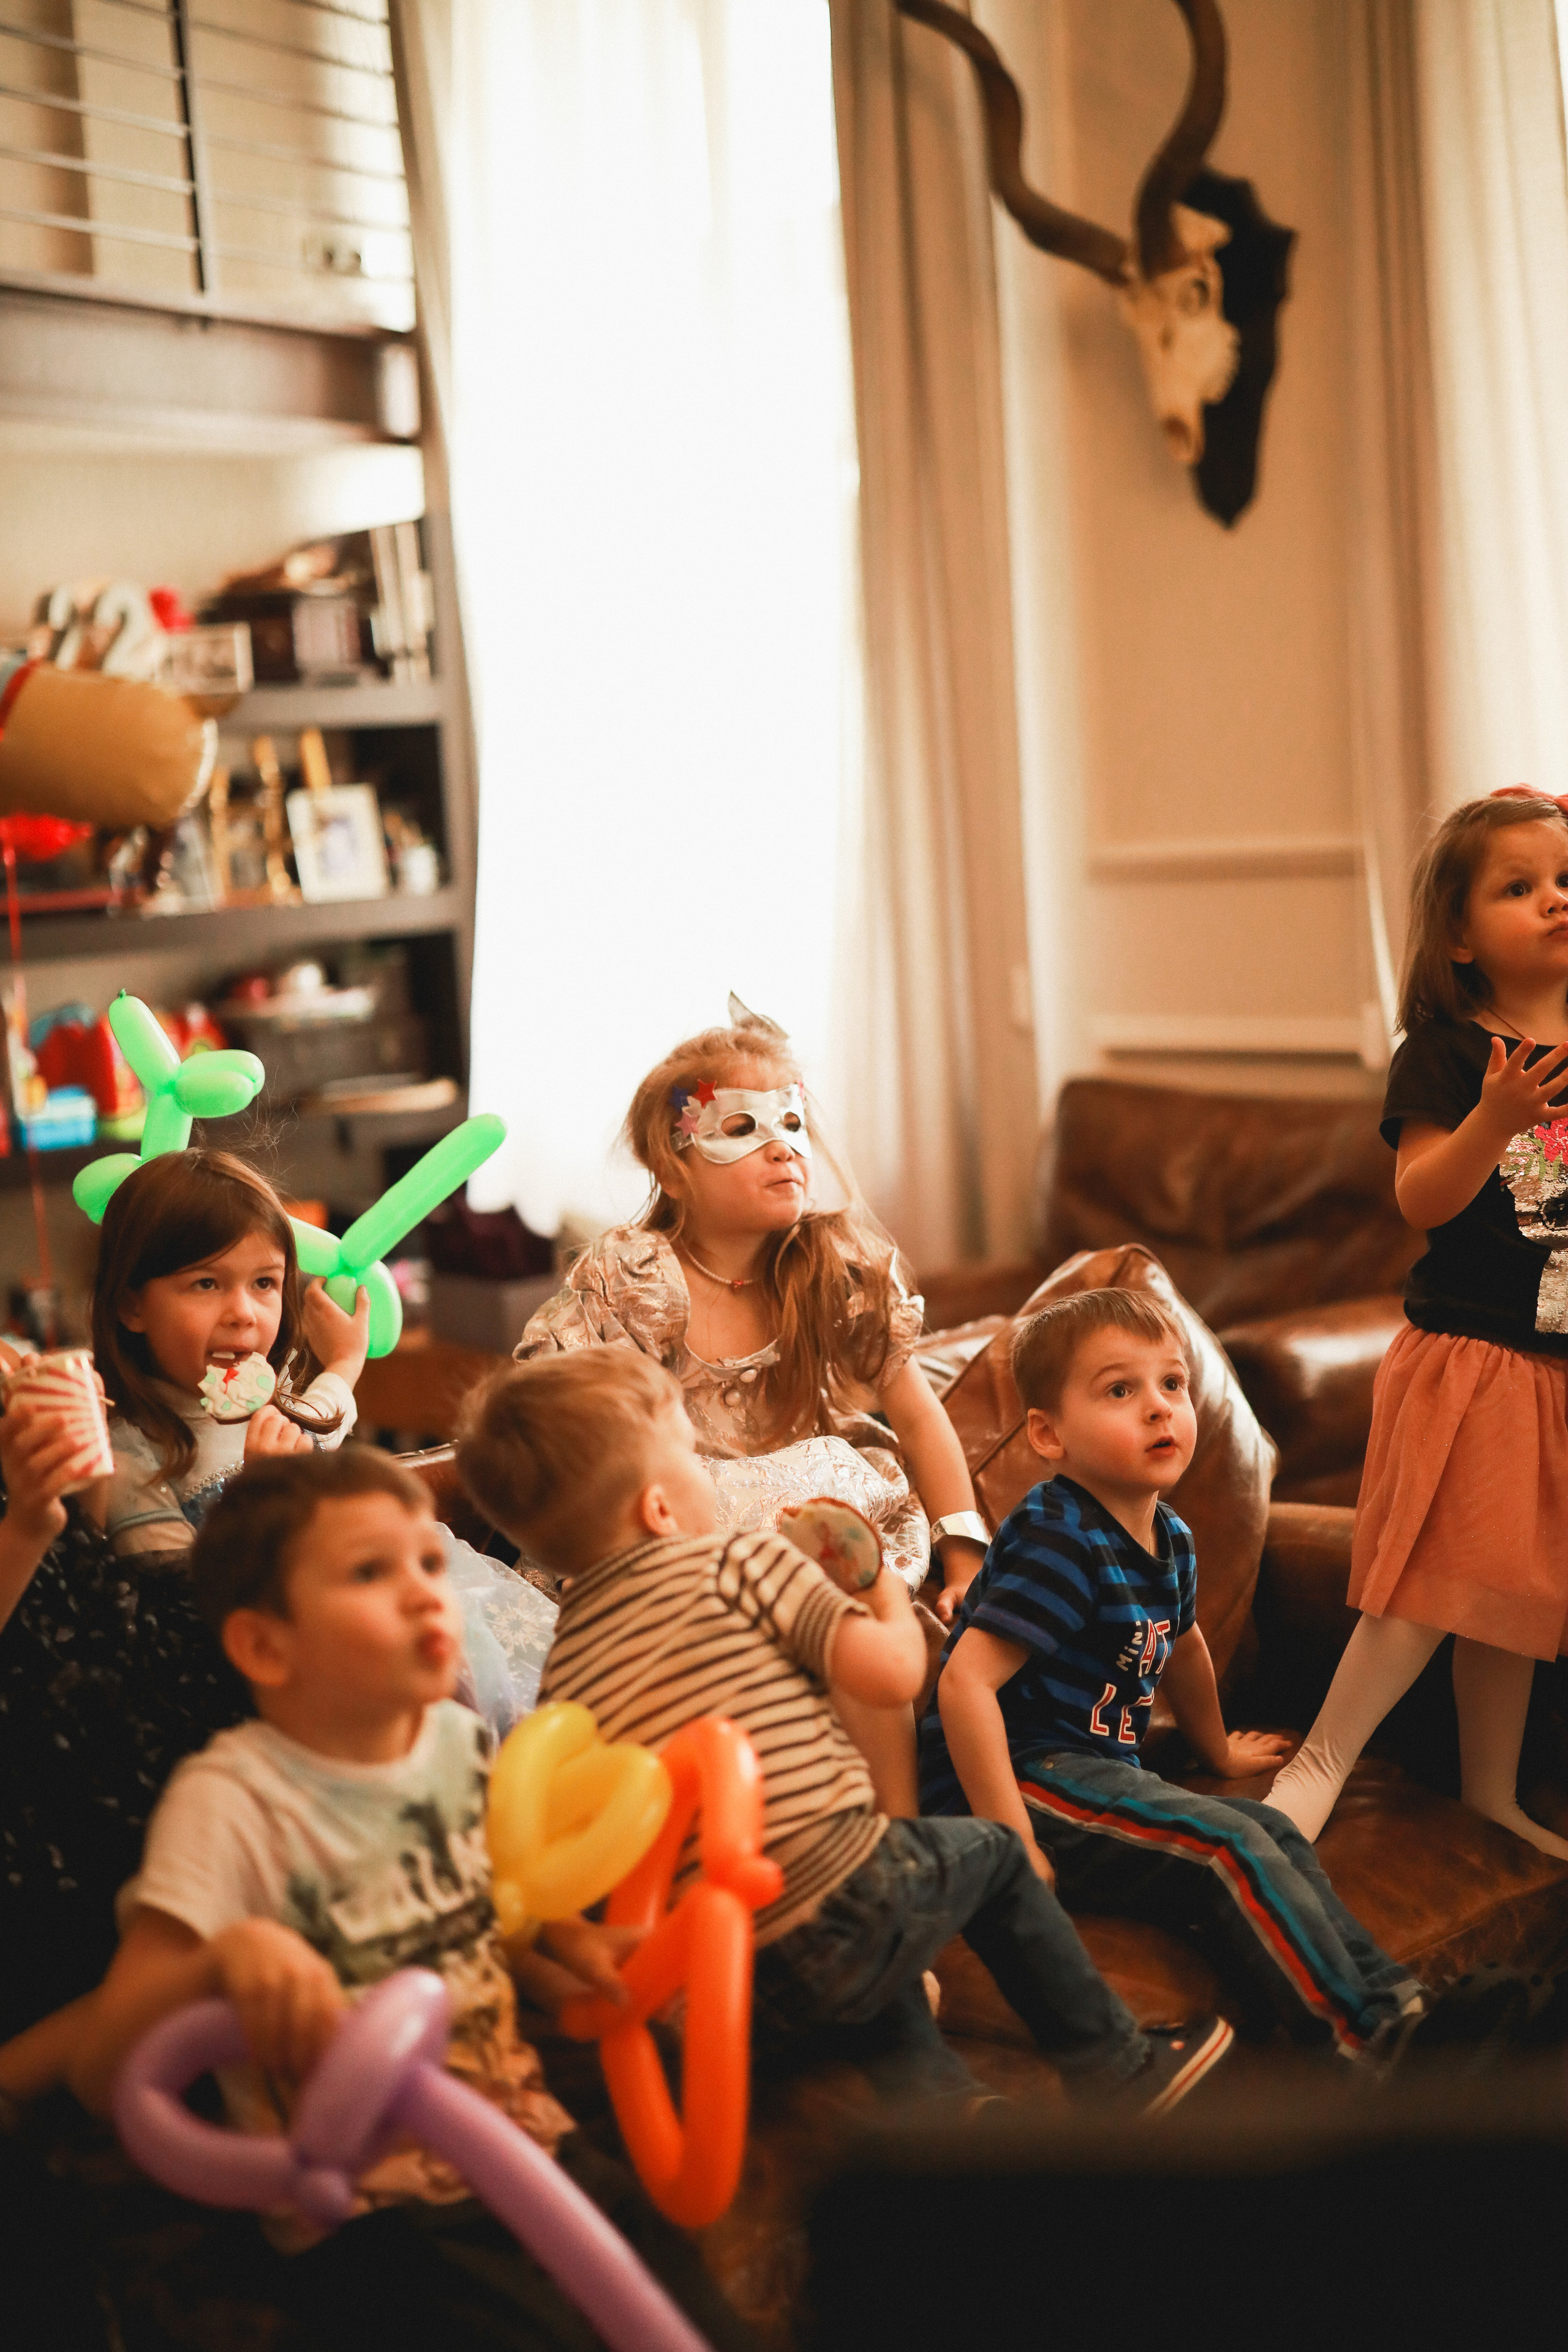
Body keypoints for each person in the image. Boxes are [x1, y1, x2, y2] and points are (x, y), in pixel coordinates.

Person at [68, 1447, 756, 2352]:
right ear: (266, 1645)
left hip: (527, 2138)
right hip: (373, 2206)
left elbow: (476, 1905)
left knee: (694, 2316)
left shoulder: (452, 1745)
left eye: (429, 1561)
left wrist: (569, 1955)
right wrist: (226, 1959)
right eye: (370, 1572)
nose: (427, 1591)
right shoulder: (232, 1802)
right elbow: (101, 2068)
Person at [456, 1348, 1234, 2117]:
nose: (706, 1476)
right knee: (993, 1858)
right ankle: (1119, 2069)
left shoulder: (566, 1673)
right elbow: (894, 1676)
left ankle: (958, 2117)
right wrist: (874, 1590)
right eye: (693, 1458)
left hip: (743, 1972)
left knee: (878, 1999)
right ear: (660, 1510)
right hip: (849, 1889)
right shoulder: (740, 1564)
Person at [919, 1288, 1427, 2065]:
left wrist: (1217, 1751)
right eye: (1121, 1391)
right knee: (1225, 1845)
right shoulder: (1058, 1537)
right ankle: (1371, 2041)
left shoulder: (1170, 1535)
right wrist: (1009, 1836)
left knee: (1272, 1829)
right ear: (1048, 1435)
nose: (1160, 1409)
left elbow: (1182, 1645)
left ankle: (1402, 2005)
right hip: (1022, 1776)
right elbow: (963, 1684)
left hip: (1088, 1771)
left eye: (1172, 1384)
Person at [514, 1007, 989, 1812]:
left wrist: (965, 1550)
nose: (783, 1146)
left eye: (795, 1122)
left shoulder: (835, 1269)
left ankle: (899, 1828)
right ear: (674, 1163)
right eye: (743, 1126)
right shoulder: (638, 1280)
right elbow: (567, 1417)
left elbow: (916, 1413)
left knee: (855, 1615)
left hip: (811, 1522)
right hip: (679, 1529)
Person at [1269, 793, 1568, 1859]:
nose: (1553, 900)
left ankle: (1492, 1791)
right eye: (1519, 887)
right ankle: (1322, 1759)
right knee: (1432, 1586)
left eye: (1565, 881)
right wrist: (1494, 1122)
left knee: (1519, 1594)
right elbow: (1422, 1200)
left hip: (1556, 1363)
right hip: (1478, 1361)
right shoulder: (1445, 1052)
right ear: (1457, 936)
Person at [89, 1148, 368, 1558]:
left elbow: (320, 1422)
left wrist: (345, 1360)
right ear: (132, 1307)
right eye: (206, 1284)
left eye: (264, 1283)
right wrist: (255, 1503)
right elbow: (178, 1606)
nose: (243, 1314)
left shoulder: (275, 1407)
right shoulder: (128, 1460)